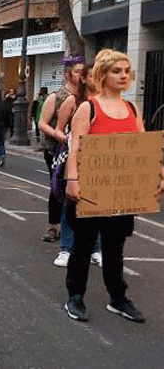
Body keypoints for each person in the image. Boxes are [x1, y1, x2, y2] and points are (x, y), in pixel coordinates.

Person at [63, 49, 163, 323]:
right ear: (103, 74)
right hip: (91, 189)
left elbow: (143, 146)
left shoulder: (132, 108)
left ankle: (118, 298)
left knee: (114, 247)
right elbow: (75, 148)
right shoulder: (89, 108)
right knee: (83, 247)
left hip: (120, 193)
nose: (123, 76)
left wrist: (158, 171)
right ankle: (75, 297)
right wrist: (72, 179)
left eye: (126, 71)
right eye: (117, 71)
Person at [50, 64, 102, 268]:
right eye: (90, 75)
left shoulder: (105, 103)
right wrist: (71, 142)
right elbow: (58, 129)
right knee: (70, 205)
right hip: (75, 158)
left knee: (95, 206)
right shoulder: (74, 101)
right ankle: (66, 249)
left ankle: (95, 249)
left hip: (99, 162)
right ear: (84, 79)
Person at [38, 57, 85, 243]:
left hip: (79, 149)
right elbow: (42, 123)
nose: (81, 75)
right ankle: (53, 226)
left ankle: (76, 227)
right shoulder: (55, 97)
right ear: (68, 74)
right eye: (77, 71)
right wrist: (60, 137)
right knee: (57, 186)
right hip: (56, 150)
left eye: (83, 72)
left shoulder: (86, 97)